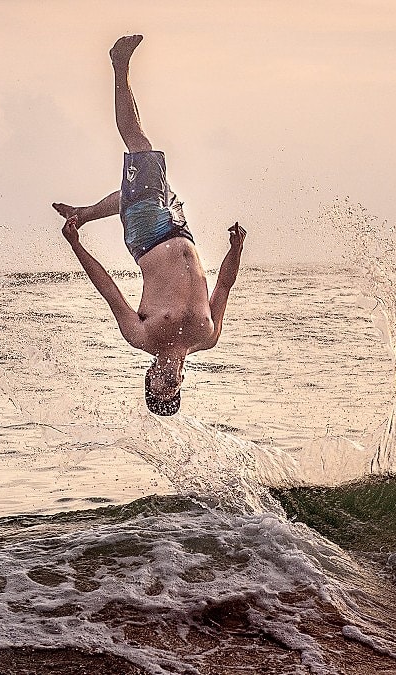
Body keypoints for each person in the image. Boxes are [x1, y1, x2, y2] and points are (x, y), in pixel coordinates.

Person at [53, 35, 246, 416]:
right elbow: (223, 284)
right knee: (142, 182)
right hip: (181, 229)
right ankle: (86, 211)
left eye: (158, 391)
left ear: (149, 377)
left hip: (147, 237)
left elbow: (107, 287)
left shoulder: (141, 335)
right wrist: (235, 250)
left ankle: (118, 65)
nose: (167, 388)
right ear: (181, 386)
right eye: (172, 395)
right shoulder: (208, 337)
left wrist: (76, 246)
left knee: (140, 147)